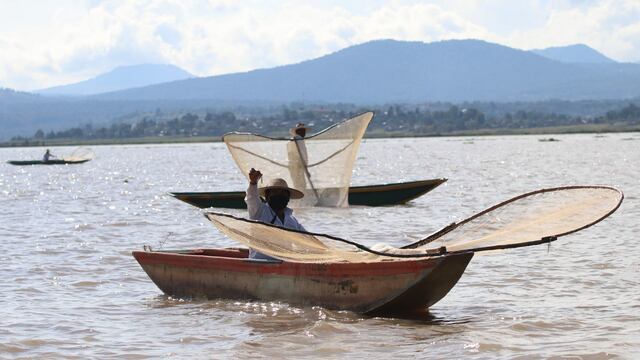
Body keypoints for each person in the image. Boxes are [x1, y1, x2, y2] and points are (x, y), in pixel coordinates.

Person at [245, 168, 306, 260]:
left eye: (283, 193)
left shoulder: (292, 220)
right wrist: (253, 183)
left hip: (285, 264)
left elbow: (308, 239)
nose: (279, 195)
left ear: (288, 197)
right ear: (267, 196)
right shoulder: (259, 211)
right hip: (260, 262)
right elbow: (251, 198)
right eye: (275, 192)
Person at [286, 123, 311, 193]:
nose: (304, 133)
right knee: (300, 185)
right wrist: (305, 169)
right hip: (297, 166)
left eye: (304, 131)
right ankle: (300, 199)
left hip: (298, 166)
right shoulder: (297, 140)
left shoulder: (299, 140)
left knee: (299, 184)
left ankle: (301, 199)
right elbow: (298, 155)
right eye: (302, 131)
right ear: (298, 132)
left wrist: (306, 169)